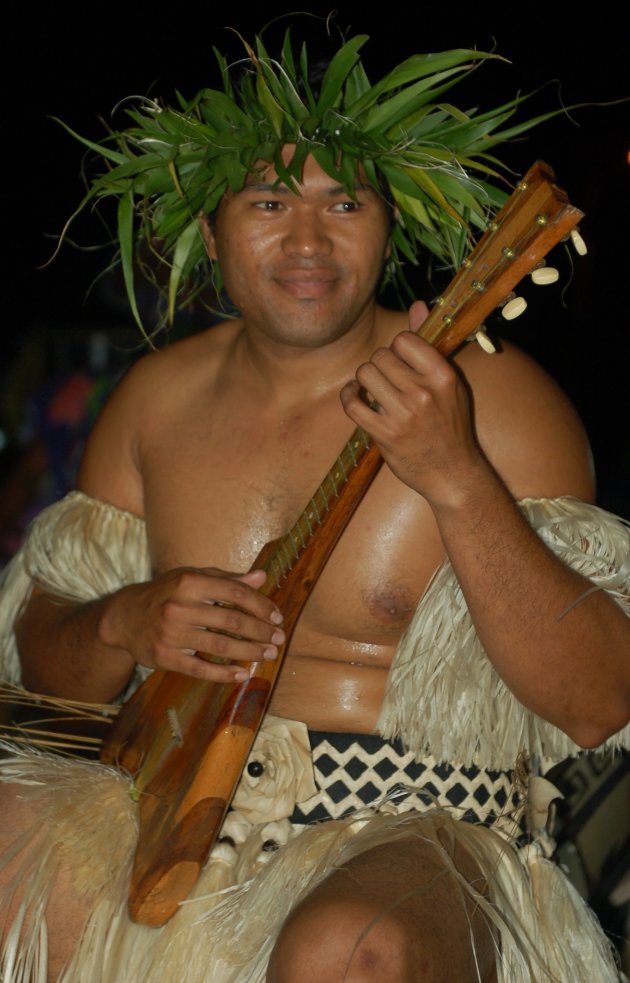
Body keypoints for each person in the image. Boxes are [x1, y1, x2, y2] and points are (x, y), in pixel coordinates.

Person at [1, 32, 629, 983]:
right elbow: (49, 670)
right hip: (169, 808)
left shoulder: (500, 406)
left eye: (346, 202)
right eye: (267, 201)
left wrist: (455, 474)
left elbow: (598, 703)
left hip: (420, 831)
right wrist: (126, 619)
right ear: (211, 235)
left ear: (388, 230)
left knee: (344, 950)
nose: (308, 239)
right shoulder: (153, 404)